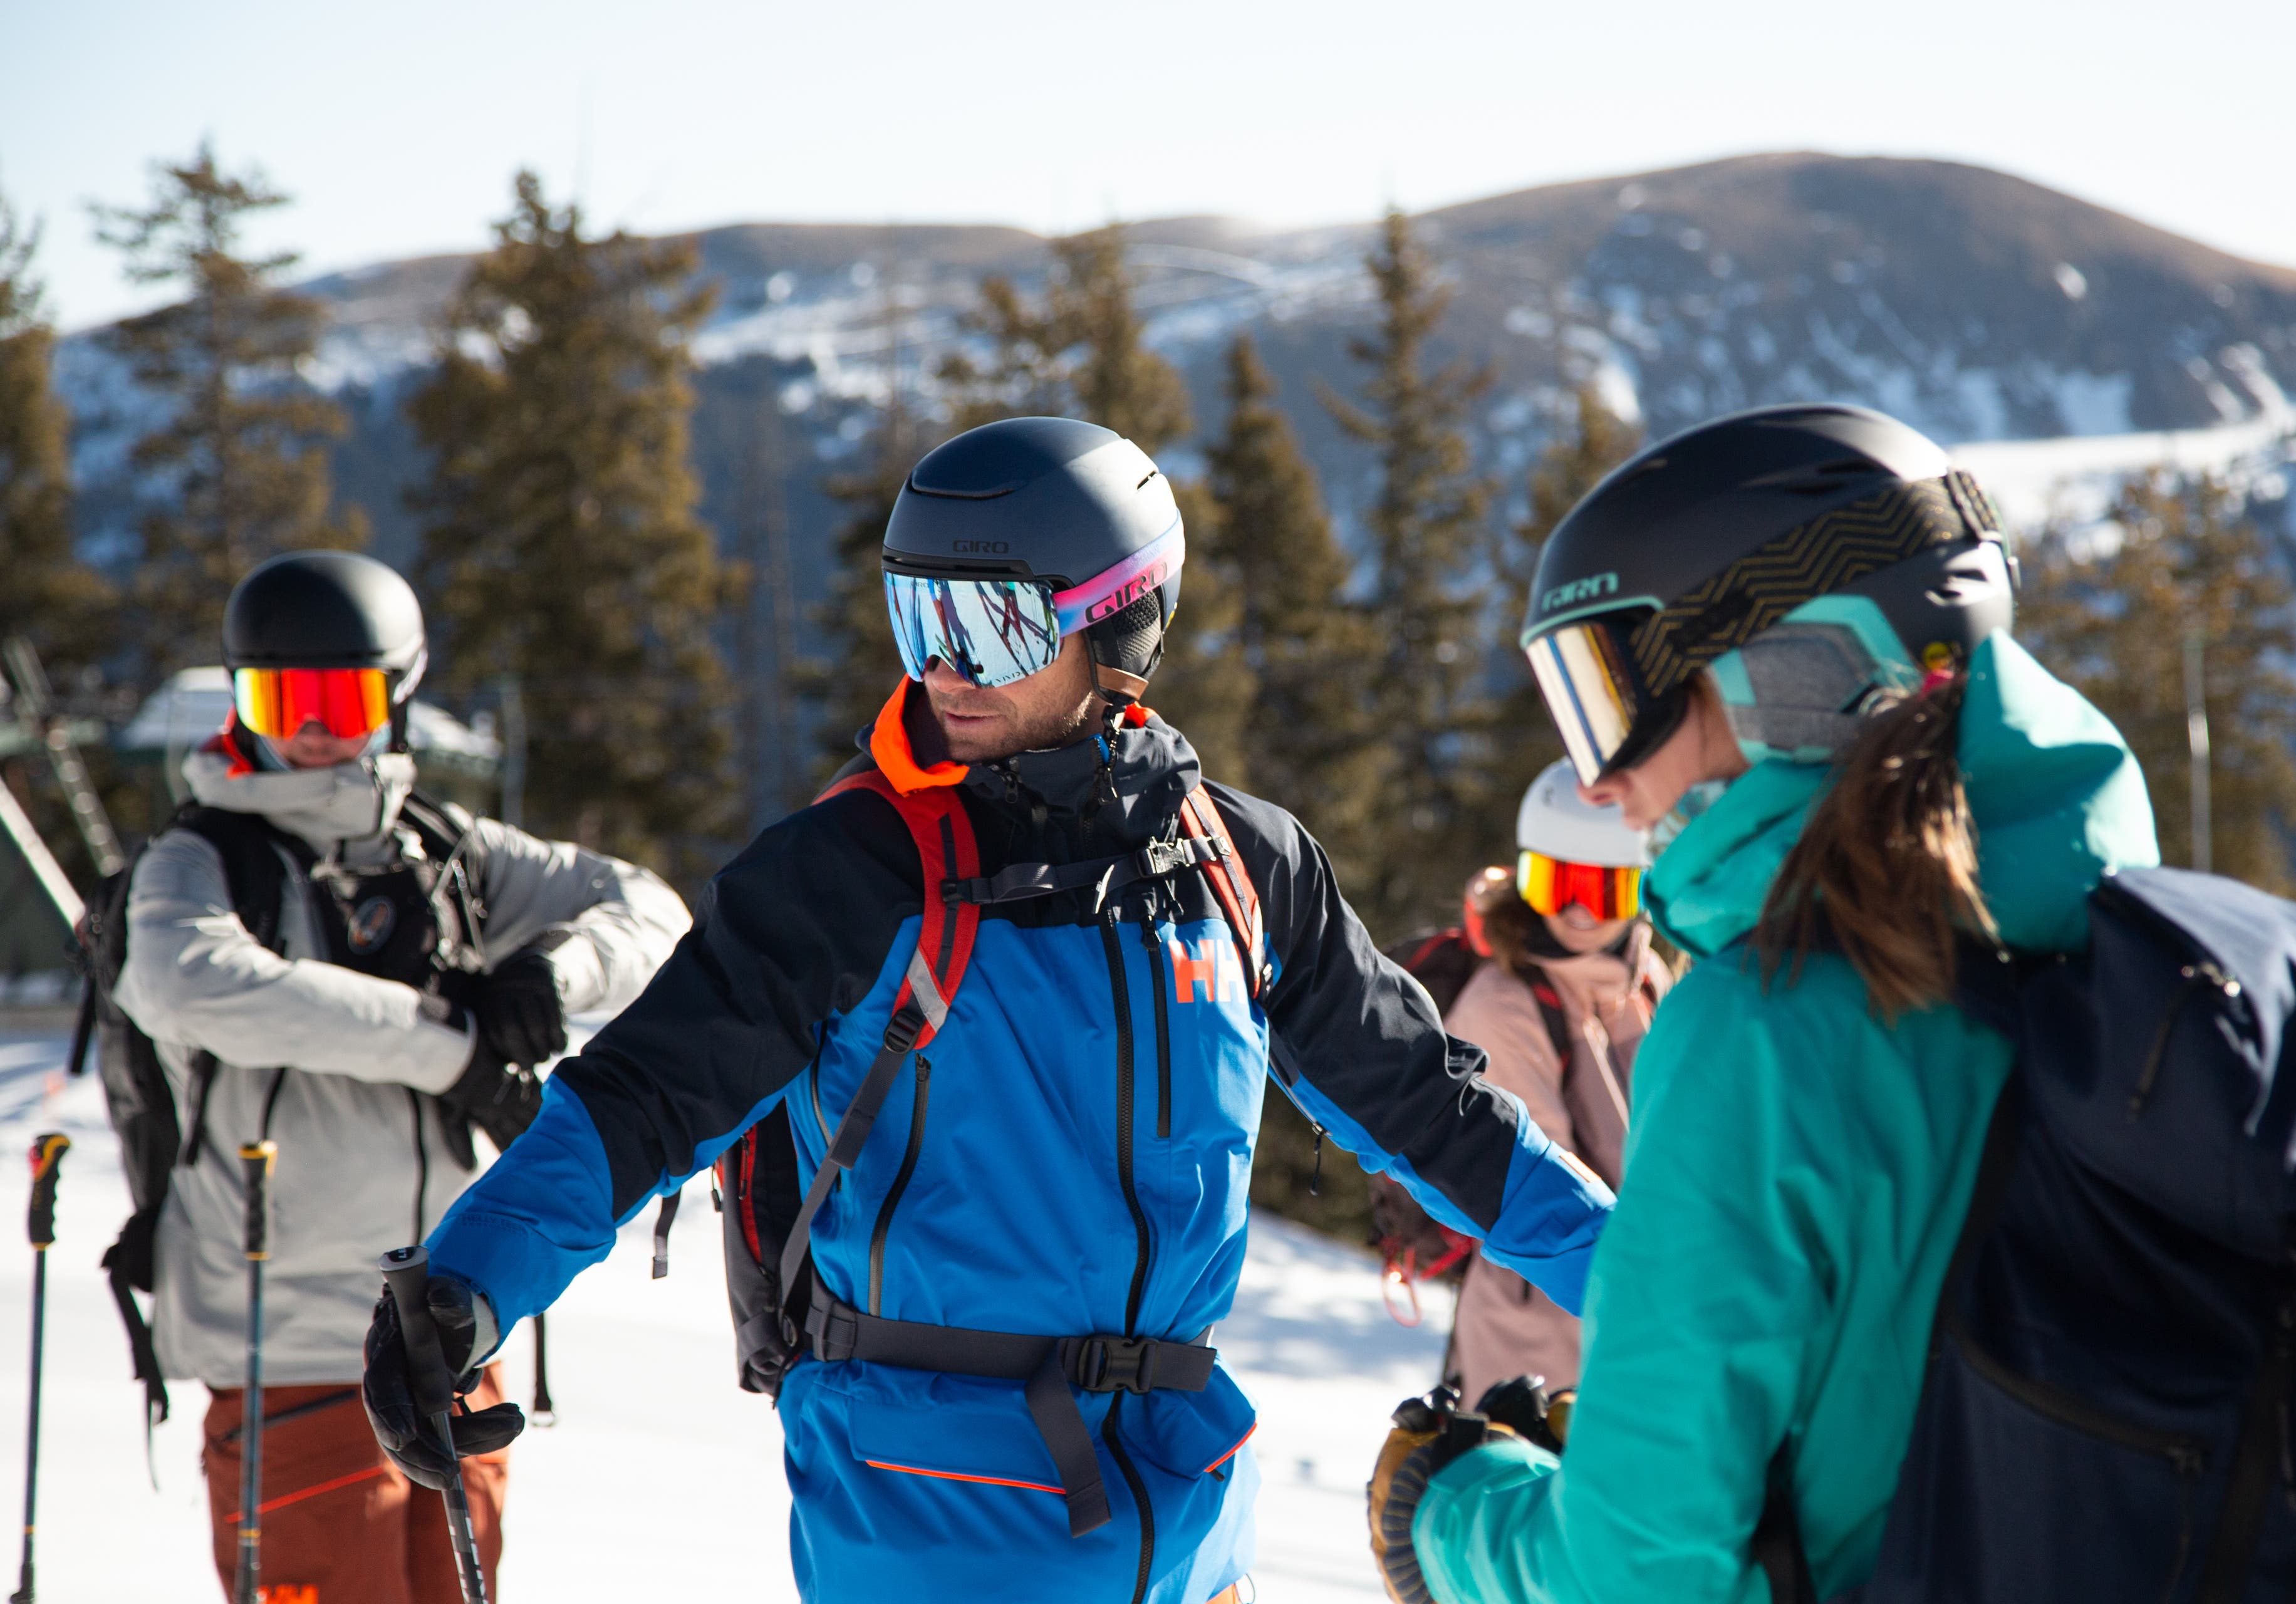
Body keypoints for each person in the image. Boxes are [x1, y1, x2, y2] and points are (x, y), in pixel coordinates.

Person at [360, 416, 1616, 1604]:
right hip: (930, 1511)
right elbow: (640, 1103)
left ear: (1118, 626)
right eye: (919, 617)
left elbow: (1438, 1113)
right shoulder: (851, 873)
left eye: (992, 625)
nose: (944, 667)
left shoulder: (1240, 869)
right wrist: (471, 1285)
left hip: (1188, 1513)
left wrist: (1648, 1289)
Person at [1368, 403, 2158, 1604]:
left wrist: (1445, 1512)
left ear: (1790, 675)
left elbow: (1635, 1577)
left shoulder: (1765, 1032)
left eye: (1608, 696)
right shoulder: (2133, 958)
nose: (1599, 779)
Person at [112, 550, 689, 1604]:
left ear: (397, 696)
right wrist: (455, 1049)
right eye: (278, 698)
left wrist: (553, 971)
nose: (310, 728)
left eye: (339, 698)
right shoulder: (201, 861)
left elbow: (652, 910)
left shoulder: (450, 854)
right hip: (290, 1350)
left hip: (451, 1335)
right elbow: (194, 983)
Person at [1442, 761, 1672, 1406]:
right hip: (1538, 1328)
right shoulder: (1503, 1006)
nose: (1578, 911)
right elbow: (1543, 1187)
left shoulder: (1647, 978)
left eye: (1604, 890)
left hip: (1640, 1303)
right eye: (1557, 883)